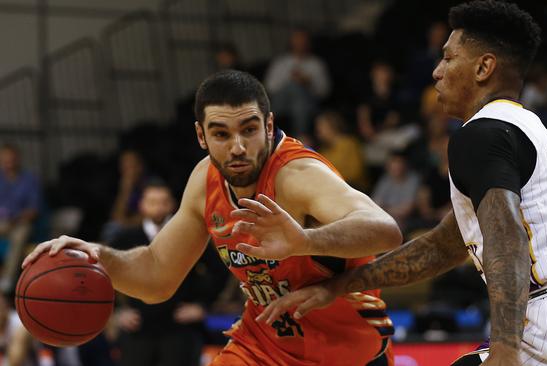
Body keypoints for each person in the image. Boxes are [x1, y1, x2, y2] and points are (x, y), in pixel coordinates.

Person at [257, 1, 547, 365]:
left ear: (483, 68)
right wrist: (338, 286)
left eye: (448, 57)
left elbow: (506, 235)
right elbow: (444, 246)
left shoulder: (479, 134)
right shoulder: (529, 130)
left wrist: (505, 348)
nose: (436, 71)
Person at [23, 70, 402, 366]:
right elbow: (157, 274)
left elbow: (385, 230)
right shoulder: (205, 180)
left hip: (345, 352)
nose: (237, 147)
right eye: (221, 134)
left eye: (249, 130)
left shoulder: (298, 175)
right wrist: (97, 256)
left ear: (269, 126)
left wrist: (304, 241)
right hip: (261, 347)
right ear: (201, 136)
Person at [110, 180, 223, 366]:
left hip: (179, 328)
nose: (158, 207)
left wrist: (202, 306)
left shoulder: (189, 235)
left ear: (172, 204)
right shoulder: (126, 237)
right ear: (142, 205)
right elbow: (106, 273)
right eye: (152, 202)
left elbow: (220, 271)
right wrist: (117, 312)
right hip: (139, 327)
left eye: (163, 202)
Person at [264, 29, 331, 139]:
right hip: (282, 102)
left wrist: (308, 83)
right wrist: (291, 81)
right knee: (294, 87)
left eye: (303, 41)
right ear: (291, 42)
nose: (300, 44)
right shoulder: (281, 63)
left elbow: (325, 91)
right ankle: (301, 137)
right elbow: (270, 87)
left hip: (308, 102)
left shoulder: (316, 64)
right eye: (297, 40)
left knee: (299, 98)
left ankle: (298, 136)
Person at [0, 144, 41, 292]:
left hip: (21, 222)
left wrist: (17, 219)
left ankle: (6, 281)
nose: (8, 163)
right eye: (5, 160)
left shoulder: (30, 180)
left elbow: (34, 209)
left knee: (19, 236)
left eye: (11, 160)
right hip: (2, 222)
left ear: (18, 159)